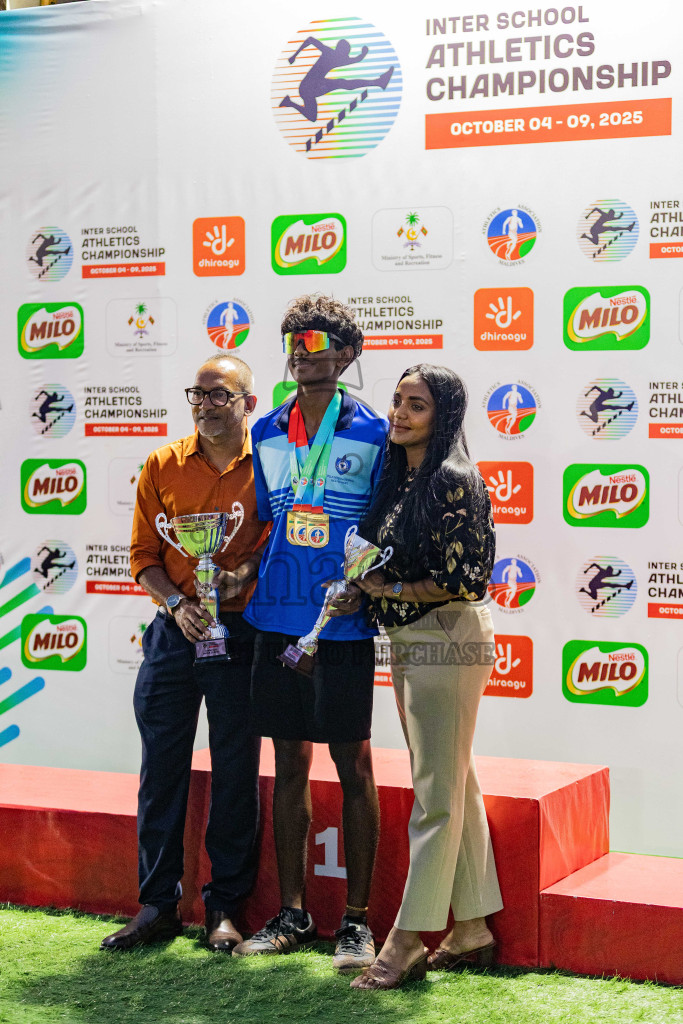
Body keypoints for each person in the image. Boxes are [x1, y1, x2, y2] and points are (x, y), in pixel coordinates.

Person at [231, 295, 387, 972]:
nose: (300, 352)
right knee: (287, 761)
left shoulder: (377, 431)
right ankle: (293, 911)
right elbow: (272, 515)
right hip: (276, 616)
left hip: (343, 624)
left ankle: (355, 922)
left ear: (347, 354)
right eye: (292, 341)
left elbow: (382, 525)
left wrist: (367, 582)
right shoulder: (266, 426)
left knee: (352, 765)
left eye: (316, 343)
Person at [100, 354, 270, 953]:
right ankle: (156, 905)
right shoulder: (162, 463)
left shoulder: (272, 466)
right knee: (161, 768)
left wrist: (238, 572)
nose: (205, 406)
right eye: (197, 396)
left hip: (242, 631)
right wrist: (178, 605)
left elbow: (280, 544)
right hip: (175, 633)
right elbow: (144, 556)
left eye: (220, 395)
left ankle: (224, 908)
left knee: (234, 771)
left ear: (249, 401)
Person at [344, 364, 503, 990]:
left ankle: (407, 939)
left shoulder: (453, 479)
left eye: (417, 404)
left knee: (436, 791)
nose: (400, 413)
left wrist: (387, 588)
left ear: (445, 416)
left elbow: (468, 578)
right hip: (411, 638)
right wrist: (366, 580)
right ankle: (472, 930)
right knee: (453, 780)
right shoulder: (398, 476)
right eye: (397, 401)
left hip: (448, 634)